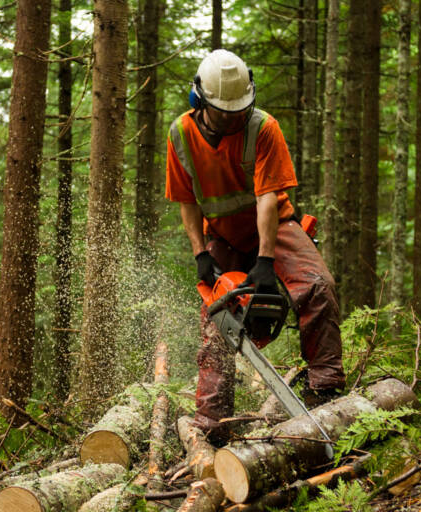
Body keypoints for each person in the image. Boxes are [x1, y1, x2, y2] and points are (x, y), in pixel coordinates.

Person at [164, 49, 346, 444]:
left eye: (237, 110)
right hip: (223, 235)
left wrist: (264, 261)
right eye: (224, 112)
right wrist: (200, 253)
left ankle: (326, 390)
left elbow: (267, 197)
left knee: (317, 285)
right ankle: (213, 422)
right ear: (200, 101)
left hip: (274, 221)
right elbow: (187, 200)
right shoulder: (180, 134)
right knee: (217, 319)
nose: (232, 118)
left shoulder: (263, 127)